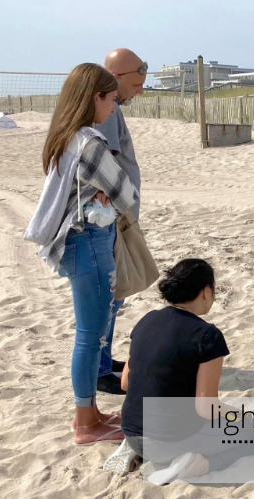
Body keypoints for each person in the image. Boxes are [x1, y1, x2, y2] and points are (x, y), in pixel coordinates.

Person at [24, 63, 137, 444]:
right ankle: (85, 424)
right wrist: (106, 193)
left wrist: (97, 192)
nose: (114, 108)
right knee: (92, 335)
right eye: (111, 100)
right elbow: (127, 195)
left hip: (77, 242)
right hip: (89, 241)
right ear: (96, 98)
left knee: (91, 333)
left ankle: (89, 414)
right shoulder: (90, 142)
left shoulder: (64, 136)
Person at [120, 259, 254, 485]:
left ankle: (142, 453)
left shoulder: (146, 320)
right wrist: (244, 416)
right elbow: (206, 407)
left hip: (130, 432)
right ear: (206, 291)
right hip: (167, 439)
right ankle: (198, 465)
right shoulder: (207, 335)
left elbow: (126, 383)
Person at [93, 48, 147, 394]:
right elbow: (106, 163)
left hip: (116, 215)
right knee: (111, 294)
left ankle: (102, 359)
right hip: (113, 218)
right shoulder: (107, 109)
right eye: (137, 83)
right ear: (118, 77)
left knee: (114, 294)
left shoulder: (109, 106)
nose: (140, 90)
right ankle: (99, 369)